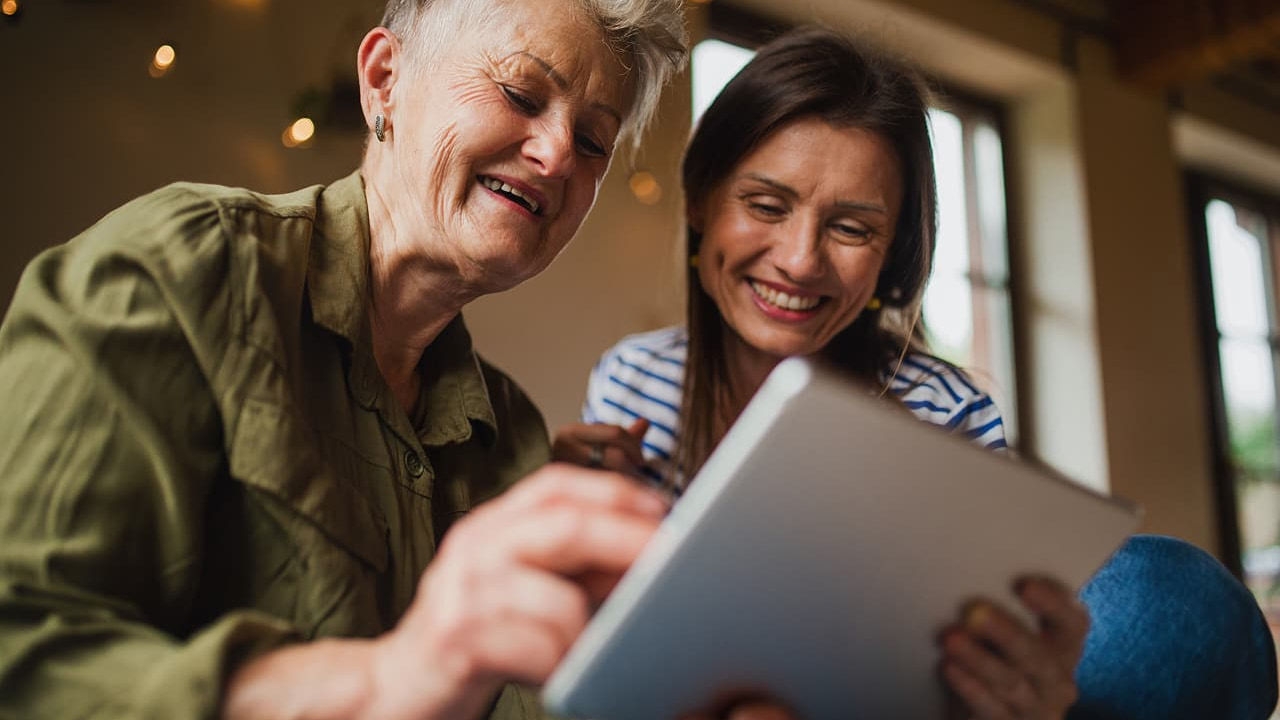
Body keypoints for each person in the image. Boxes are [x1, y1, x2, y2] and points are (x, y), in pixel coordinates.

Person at [0, 1, 718, 719]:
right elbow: (23, 656)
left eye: (594, 141)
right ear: (384, 80)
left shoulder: (517, 440)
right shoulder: (186, 271)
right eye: (521, 95)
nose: (558, 153)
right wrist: (386, 682)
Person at [558, 27, 1279, 720]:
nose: (801, 260)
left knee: (1169, 595)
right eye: (766, 205)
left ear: (891, 255)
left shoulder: (945, 409)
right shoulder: (631, 379)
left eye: (851, 228)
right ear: (699, 203)